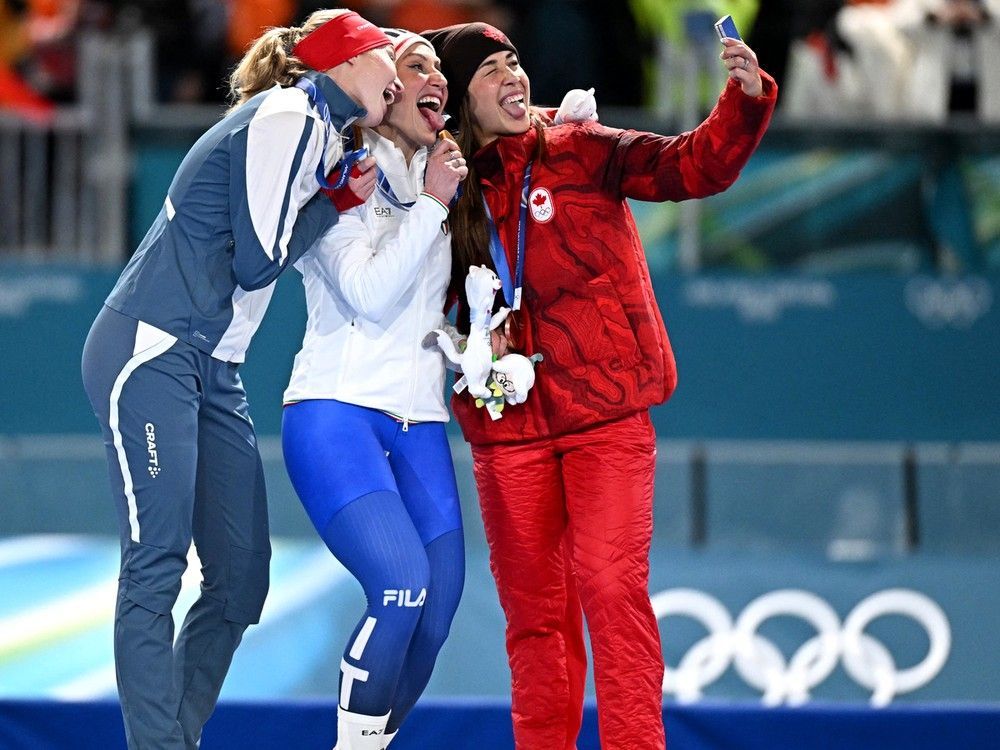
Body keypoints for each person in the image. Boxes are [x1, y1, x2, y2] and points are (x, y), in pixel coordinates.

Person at [422, 21, 777, 750]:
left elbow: (688, 168)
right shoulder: (439, 185)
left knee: (613, 596)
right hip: (506, 428)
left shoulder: (580, 148)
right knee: (536, 621)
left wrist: (741, 102)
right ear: (461, 97)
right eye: (490, 70)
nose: (513, 76)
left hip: (605, 418)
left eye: (514, 60)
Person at [80, 10, 401, 749]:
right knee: (156, 559)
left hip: (212, 365)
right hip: (151, 347)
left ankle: (174, 739)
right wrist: (335, 204)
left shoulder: (323, 132)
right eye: (387, 56)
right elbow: (259, 261)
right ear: (347, 61)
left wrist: (340, 195)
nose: (395, 71)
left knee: (241, 577)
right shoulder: (288, 112)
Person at [280, 29, 468, 750]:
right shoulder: (337, 168)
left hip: (420, 421)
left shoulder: (439, 173)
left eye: (438, 70)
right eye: (414, 65)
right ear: (379, 89)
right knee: (400, 586)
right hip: (337, 413)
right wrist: (431, 205)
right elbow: (364, 294)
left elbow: (426, 304)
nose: (435, 79)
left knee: (439, 608)